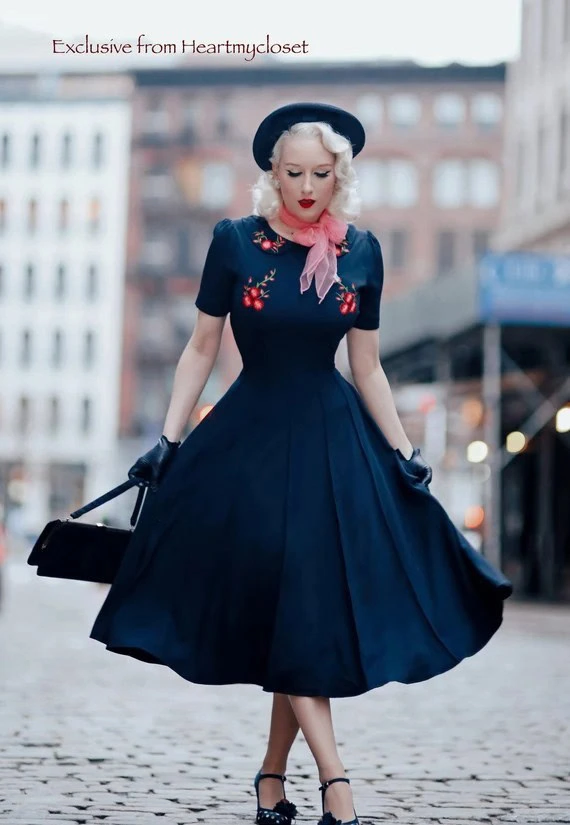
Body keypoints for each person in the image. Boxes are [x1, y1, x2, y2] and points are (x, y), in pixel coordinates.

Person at [89, 102, 513, 825]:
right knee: (295, 604)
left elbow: (369, 367)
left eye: (322, 173)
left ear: (339, 174)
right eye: (294, 173)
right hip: (249, 444)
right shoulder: (235, 242)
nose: (308, 185)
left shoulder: (363, 251)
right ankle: (337, 785)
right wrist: (170, 437)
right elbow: (199, 348)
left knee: (304, 611)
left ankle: (270, 781)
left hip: (332, 443)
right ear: (272, 173)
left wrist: (405, 449)